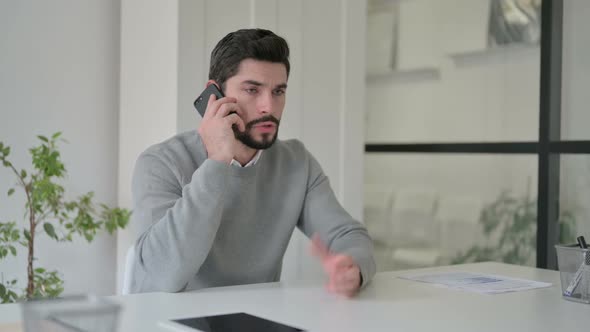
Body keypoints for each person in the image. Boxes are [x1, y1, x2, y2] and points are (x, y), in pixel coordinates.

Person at [128, 28, 375, 297]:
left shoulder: (296, 163)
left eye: (278, 91)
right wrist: (217, 161)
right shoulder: (160, 163)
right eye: (252, 90)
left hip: (254, 320)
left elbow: (347, 235)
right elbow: (165, 275)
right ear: (215, 95)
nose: (268, 106)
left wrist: (353, 267)